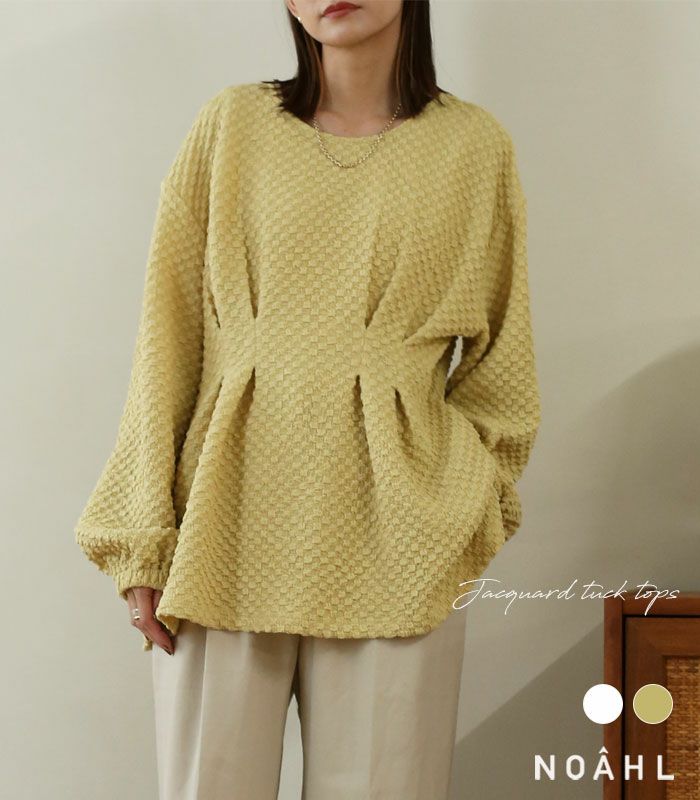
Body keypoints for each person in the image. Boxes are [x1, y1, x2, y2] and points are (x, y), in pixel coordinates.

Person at [74, 1, 542, 798]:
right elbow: (166, 342)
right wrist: (141, 535)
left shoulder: (473, 147)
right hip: (220, 527)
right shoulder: (231, 127)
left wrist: (464, 509)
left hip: (401, 544)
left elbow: (505, 369)